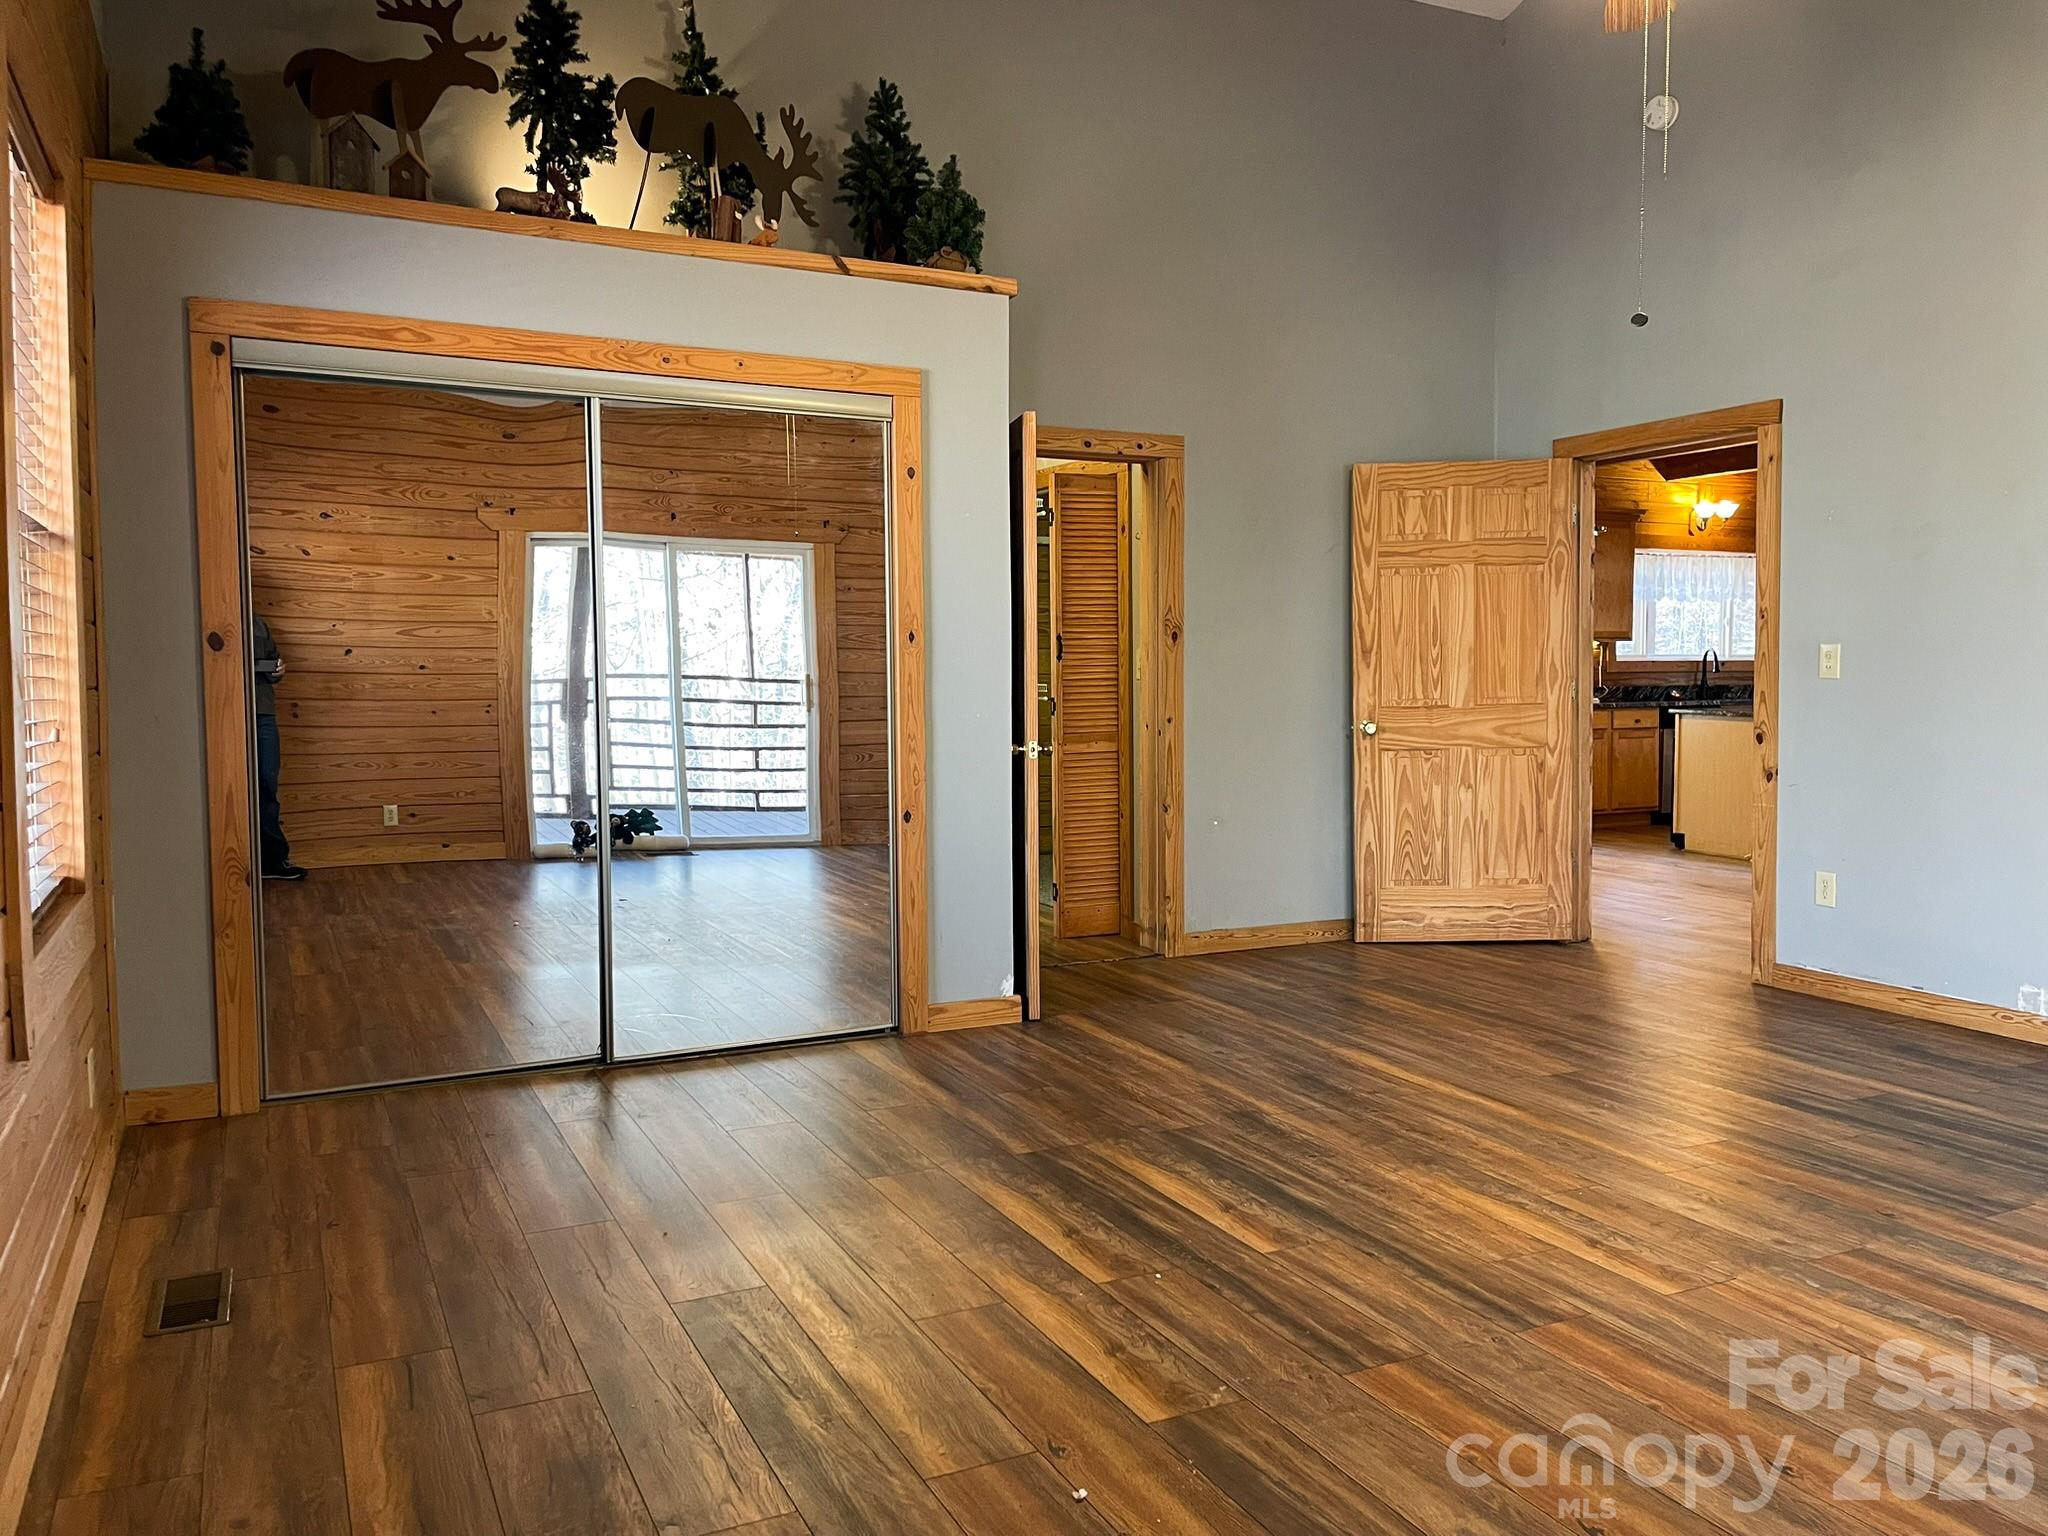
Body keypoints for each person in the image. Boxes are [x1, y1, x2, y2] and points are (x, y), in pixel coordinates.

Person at [251, 615, 305, 881]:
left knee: (267, 782)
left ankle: (272, 860)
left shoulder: (259, 623)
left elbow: (274, 664)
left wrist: (277, 669)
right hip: (225, 711)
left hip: (263, 713)